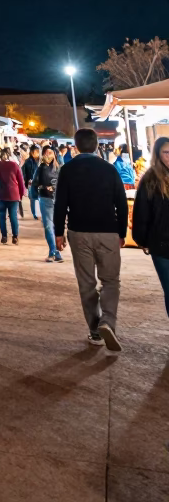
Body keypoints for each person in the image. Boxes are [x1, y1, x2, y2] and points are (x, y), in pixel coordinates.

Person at [54, 127, 128, 351]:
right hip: (107, 231)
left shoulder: (67, 169)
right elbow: (121, 203)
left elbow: (60, 205)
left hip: (79, 233)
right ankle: (108, 321)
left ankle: (95, 331)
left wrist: (58, 233)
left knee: (86, 283)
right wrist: (122, 233)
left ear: (75, 146)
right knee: (111, 281)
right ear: (96, 145)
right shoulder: (109, 169)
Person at [132, 136, 169, 318]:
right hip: (161, 244)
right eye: (166, 152)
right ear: (158, 154)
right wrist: (142, 239)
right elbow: (141, 212)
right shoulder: (150, 179)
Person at [31, 145, 63, 261]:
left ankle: (56, 251)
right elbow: (35, 183)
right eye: (46, 153)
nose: (48, 155)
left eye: (51, 153)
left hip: (58, 200)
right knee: (49, 226)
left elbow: (64, 184)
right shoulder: (40, 168)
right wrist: (35, 196)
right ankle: (53, 251)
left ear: (55, 154)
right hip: (45, 199)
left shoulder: (60, 168)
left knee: (57, 226)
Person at [0, 147, 26, 243]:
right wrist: (21, 194)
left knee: (1, 215)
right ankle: (15, 237)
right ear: (9, 155)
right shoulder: (15, 165)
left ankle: (4, 237)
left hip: (0, 194)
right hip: (13, 194)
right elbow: (21, 182)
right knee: (13, 215)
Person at [22, 145, 41, 220]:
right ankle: (35, 214)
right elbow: (25, 173)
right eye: (36, 152)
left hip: (38, 182)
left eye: (38, 152)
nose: (37, 153)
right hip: (31, 183)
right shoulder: (28, 161)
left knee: (38, 198)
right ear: (32, 152)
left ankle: (37, 213)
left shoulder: (39, 160)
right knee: (33, 199)